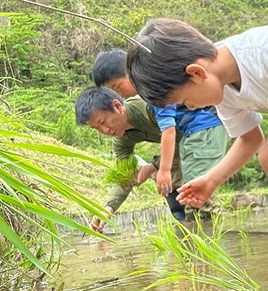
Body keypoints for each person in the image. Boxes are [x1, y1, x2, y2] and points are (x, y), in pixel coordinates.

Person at [125, 19, 268, 224]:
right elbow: (250, 139)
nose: (190, 108)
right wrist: (211, 180)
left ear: (197, 73)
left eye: (185, 100)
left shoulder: (262, 51)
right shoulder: (222, 90)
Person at [74, 86, 224, 231]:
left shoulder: (148, 106)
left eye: (103, 122)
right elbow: (125, 176)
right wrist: (108, 209)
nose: (105, 130)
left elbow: (177, 138)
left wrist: (153, 166)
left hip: (204, 127)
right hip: (180, 145)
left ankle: (216, 240)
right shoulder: (120, 140)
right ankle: (190, 240)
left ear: (117, 106)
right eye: (97, 128)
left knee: (199, 199)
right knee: (179, 205)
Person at [91, 48, 229, 204]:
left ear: (130, 71)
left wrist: (158, 168)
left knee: (196, 195)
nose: (117, 94)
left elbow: (170, 132)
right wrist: (108, 208)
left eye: (116, 87)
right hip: (185, 137)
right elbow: (124, 172)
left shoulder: (152, 90)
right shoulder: (123, 130)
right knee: (178, 194)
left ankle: (206, 225)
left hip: (203, 127)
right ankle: (189, 224)